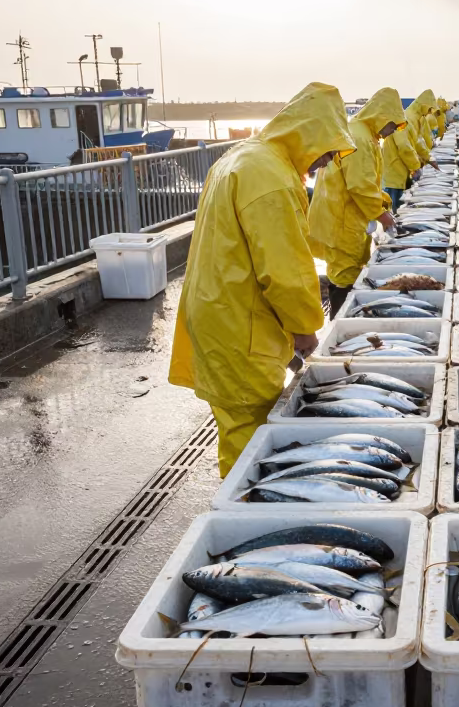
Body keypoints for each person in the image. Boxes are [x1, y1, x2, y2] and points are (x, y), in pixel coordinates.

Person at [169, 82, 355, 477]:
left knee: (236, 427)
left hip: (218, 312)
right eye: (327, 149)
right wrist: (305, 329)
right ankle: (241, 516)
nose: (325, 161)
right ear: (309, 134)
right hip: (239, 325)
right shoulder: (272, 176)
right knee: (248, 442)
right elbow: (286, 270)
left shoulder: (242, 157)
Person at [309, 87, 405, 317]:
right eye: (391, 125)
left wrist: (383, 204)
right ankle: (340, 324)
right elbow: (359, 186)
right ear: (382, 116)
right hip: (342, 221)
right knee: (343, 278)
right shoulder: (360, 138)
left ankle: (346, 318)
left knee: (345, 273)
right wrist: (382, 215)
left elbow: (368, 182)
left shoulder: (362, 133)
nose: (391, 131)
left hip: (344, 217)